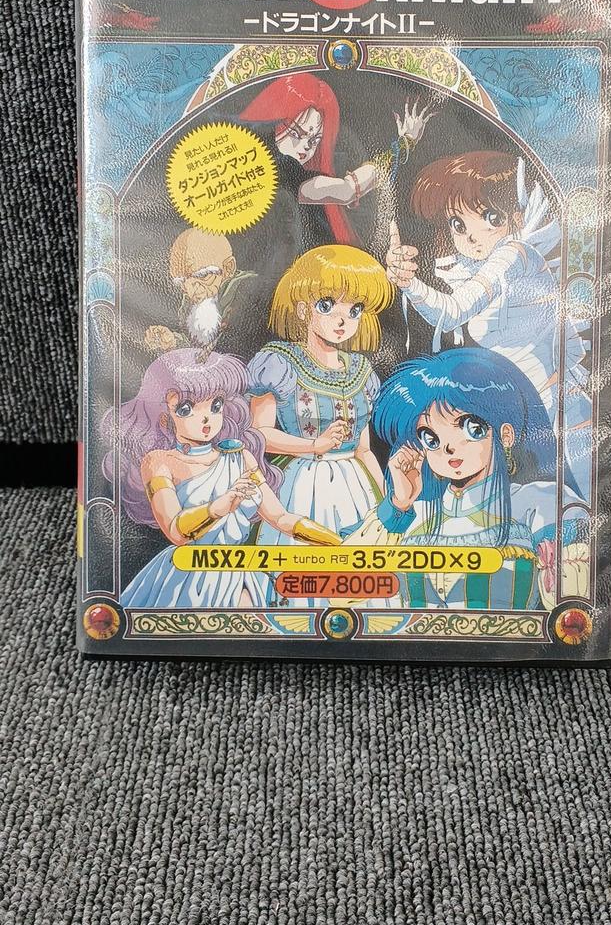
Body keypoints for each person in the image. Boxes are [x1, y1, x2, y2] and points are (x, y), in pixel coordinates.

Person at [385, 151, 591, 499]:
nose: (471, 236)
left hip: (559, 412)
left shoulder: (514, 255)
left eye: (490, 217)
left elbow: (452, 311)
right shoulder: (478, 267)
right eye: (458, 224)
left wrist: (409, 283)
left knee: (575, 501)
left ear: (515, 216)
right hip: (526, 409)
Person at [102, 349, 340, 611]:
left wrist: (335, 543)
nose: (206, 417)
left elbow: (281, 518)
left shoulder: (240, 458)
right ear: (163, 414)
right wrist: (222, 504)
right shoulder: (159, 462)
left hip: (238, 572)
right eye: (186, 409)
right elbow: (176, 531)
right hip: (186, 574)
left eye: (215, 405)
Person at [362, 347, 588, 611]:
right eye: (430, 438)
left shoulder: (536, 502)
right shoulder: (414, 517)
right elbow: (350, 586)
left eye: (471, 427)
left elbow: (572, 602)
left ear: (505, 435)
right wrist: (398, 504)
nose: (449, 447)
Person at [248, 245, 393, 574]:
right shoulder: (280, 363)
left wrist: (388, 500)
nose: (342, 319)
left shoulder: (361, 371)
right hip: (302, 484)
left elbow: (364, 450)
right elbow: (259, 435)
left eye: (354, 309)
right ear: (303, 309)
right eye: (327, 305)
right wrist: (314, 445)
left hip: (357, 487)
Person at [188, 71, 436, 245]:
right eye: (297, 133)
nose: (306, 146)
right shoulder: (283, 172)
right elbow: (348, 190)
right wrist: (405, 144)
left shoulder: (266, 165)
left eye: (315, 139)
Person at [144, 229, 255, 357]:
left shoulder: (247, 292)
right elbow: (196, 348)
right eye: (182, 282)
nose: (192, 291)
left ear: (228, 268)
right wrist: (172, 342)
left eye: (202, 275)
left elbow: (232, 347)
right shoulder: (190, 303)